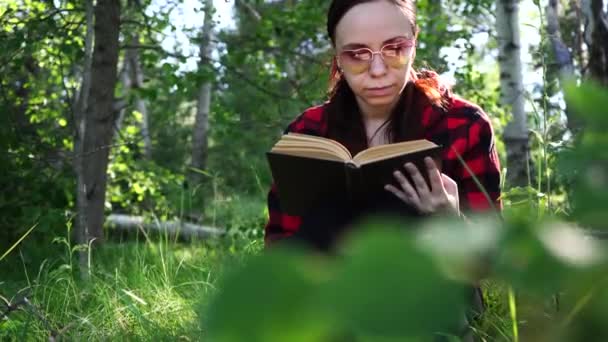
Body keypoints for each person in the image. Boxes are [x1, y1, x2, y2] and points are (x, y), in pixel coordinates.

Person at [265, 0, 502, 251]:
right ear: (337, 56)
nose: (378, 70)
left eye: (395, 48)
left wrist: (452, 221)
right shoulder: (307, 132)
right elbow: (279, 250)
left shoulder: (464, 124)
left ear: (414, 43)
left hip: (434, 285)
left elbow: (492, 255)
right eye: (357, 54)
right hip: (336, 286)